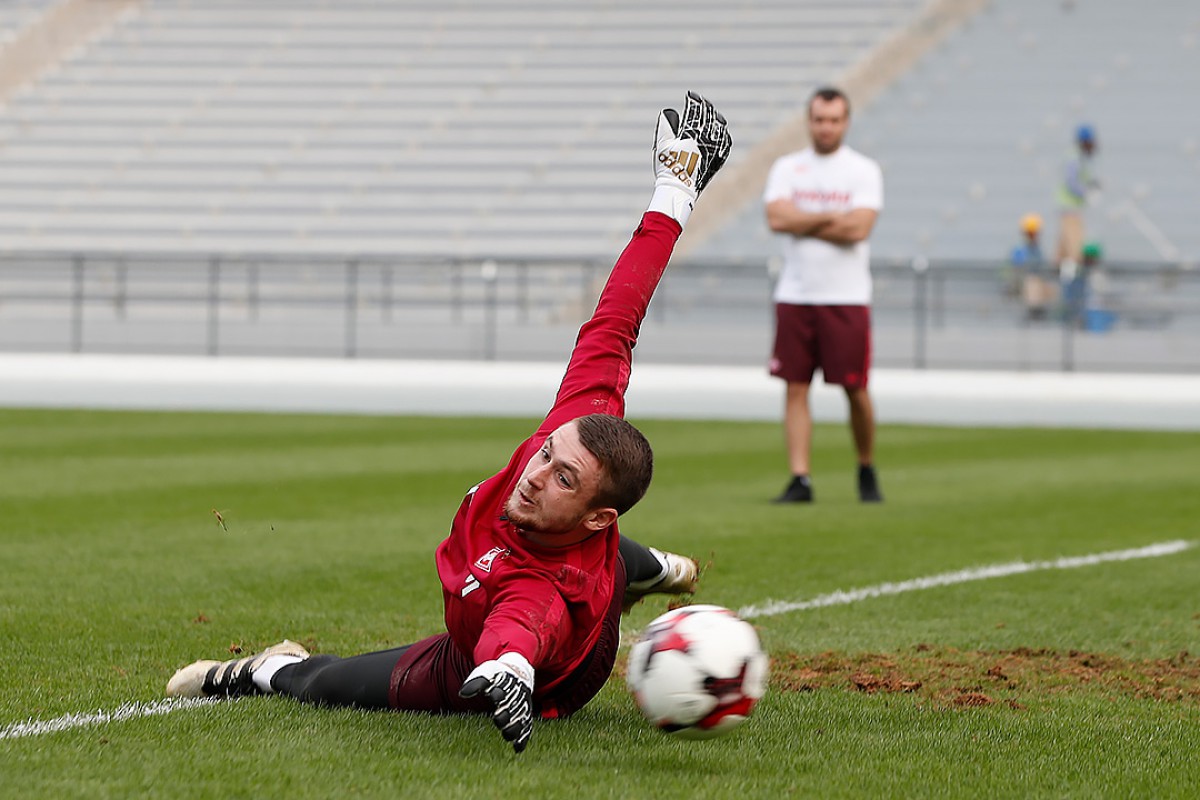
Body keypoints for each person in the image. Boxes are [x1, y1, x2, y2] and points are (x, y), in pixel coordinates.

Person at [165, 92, 733, 755]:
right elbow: (617, 317)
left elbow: (523, 625)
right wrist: (675, 190)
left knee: (322, 685)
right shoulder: (584, 428)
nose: (535, 472)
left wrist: (507, 671)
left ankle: (256, 669)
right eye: (548, 453)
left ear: (597, 512)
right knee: (592, 547)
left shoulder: (541, 589)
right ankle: (647, 567)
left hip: (515, 664)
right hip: (578, 559)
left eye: (563, 477)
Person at [763, 86, 883, 504]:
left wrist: (804, 220)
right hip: (796, 295)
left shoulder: (863, 170)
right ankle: (801, 478)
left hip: (846, 298)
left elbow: (859, 229)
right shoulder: (787, 167)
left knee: (855, 389)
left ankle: (865, 465)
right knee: (795, 386)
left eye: (834, 120)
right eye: (819, 119)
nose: (826, 127)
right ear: (808, 121)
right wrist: (832, 215)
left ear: (846, 122)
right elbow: (776, 218)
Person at [1056, 124, 1100, 271]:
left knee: (1063, 251)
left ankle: (1057, 280)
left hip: (1071, 209)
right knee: (1076, 250)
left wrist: (1092, 184)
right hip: (1071, 210)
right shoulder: (1074, 158)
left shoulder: (1079, 158)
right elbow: (1072, 182)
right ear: (1085, 141)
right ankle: (1075, 286)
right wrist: (1086, 192)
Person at [1011, 212, 1056, 320]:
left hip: (1039, 281)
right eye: (1030, 233)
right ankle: (1033, 312)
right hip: (1025, 283)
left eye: (1034, 233)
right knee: (1032, 283)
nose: (1033, 236)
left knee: (1053, 288)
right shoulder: (1020, 250)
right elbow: (1017, 271)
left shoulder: (1039, 250)